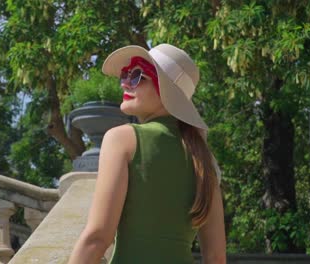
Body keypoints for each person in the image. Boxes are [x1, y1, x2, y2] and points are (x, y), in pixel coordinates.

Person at [67, 44, 226, 264]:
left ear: (165, 89)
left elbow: (97, 237)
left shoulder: (121, 139)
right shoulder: (204, 159)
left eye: (137, 75)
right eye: (125, 74)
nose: (124, 83)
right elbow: (216, 257)